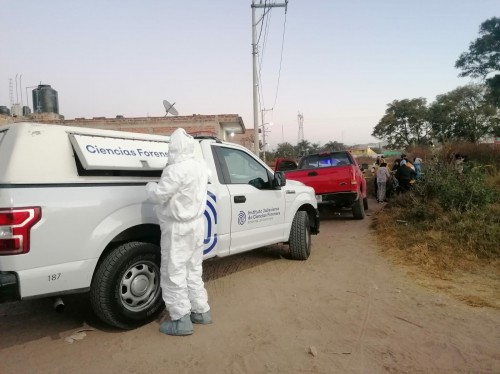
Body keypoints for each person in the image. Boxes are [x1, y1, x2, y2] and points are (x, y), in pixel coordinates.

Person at [146, 128, 212, 336]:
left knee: (173, 272)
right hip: (197, 225)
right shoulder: (200, 167)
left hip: (178, 229)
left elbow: (159, 195)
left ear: (174, 148)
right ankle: (201, 311)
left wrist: (149, 186)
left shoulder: (174, 170)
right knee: (193, 269)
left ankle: (181, 319)